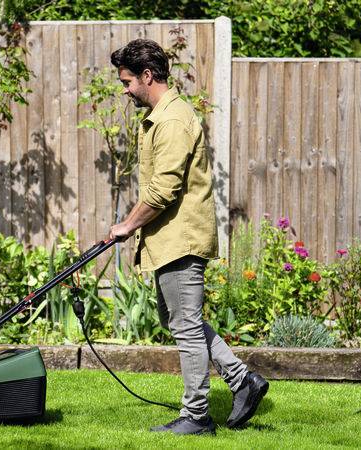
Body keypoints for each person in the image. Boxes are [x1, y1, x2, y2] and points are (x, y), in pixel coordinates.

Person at [107, 39, 269, 436]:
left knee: (186, 326)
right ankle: (242, 380)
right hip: (170, 237)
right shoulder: (162, 117)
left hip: (180, 238)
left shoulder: (173, 120)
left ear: (147, 76)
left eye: (127, 82)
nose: (125, 91)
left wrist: (128, 225)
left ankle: (196, 415)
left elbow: (163, 190)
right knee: (180, 320)